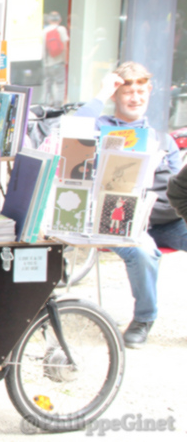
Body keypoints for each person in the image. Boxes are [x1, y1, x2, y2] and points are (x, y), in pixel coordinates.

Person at [75, 61, 187, 348]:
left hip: (166, 219)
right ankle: (144, 319)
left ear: (149, 91)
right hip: (119, 216)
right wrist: (102, 92)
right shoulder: (97, 127)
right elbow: (73, 131)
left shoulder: (162, 138)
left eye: (141, 90)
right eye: (127, 91)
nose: (135, 97)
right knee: (143, 252)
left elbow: (177, 188)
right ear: (115, 95)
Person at [42, 11, 69, 108]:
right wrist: (65, 60)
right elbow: (65, 47)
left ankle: (47, 102)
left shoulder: (44, 31)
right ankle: (58, 104)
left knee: (48, 83)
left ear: (49, 20)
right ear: (60, 20)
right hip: (58, 62)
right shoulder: (61, 29)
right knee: (60, 83)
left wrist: (44, 62)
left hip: (48, 63)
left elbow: (43, 48)